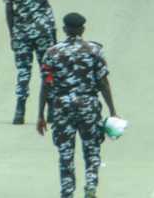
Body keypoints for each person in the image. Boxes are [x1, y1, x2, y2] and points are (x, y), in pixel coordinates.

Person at [38, 12, 118, 198]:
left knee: (65, 152)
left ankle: (67, 192)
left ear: (65, 29)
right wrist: (113, 110)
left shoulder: (52, 52)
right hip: (88, 105)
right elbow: (103, 83)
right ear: (82, 29)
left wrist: (41, 115)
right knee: (92, 149)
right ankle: (90, 185)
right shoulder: (94, 50)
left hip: (62, 107)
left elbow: (46, 85)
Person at [3, 0, 62, 125]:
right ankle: (51, 110)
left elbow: (8, 7)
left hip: (21, 31)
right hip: (44, 29)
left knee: (23, 71)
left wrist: (12, 34)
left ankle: (20, 111)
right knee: (47, 70)